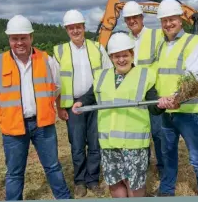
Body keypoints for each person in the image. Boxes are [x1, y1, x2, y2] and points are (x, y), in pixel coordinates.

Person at [71, 32, 179, 198]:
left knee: (134, 185)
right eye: (116, 56)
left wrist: (162, 104)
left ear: (132, 55)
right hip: (108, 144)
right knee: (114, 183)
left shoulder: (144, 76)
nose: (121, 60)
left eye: (125, 55)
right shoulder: (102, 76)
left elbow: (153, 106)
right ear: (111, 57)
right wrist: (81, 101)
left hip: (133, 145)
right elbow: (92, 94)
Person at [0, 15, 71, 200]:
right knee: (14, 173)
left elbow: (56, 87)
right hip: (13, 128)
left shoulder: (47, 60)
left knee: (53, 167)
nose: (19, 42)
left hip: (43, 125)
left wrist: (45, 104)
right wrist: (10, 111)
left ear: (31, 37)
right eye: (15, 38)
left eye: (23, 37)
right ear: (9, 39)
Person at [153, 0, 198, 196]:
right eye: (164, 20)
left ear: (180, 19)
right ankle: (167, 190)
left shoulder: (193, 43)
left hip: (188, 112)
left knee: (196, 156)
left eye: (172, 19)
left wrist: (176, 98)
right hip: (167, 111)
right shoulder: (162, 46)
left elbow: (193, 79)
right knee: (168, 154)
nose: (168, 24)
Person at [52, 9, 113, 198]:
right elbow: (55, 83)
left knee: (95, 144)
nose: (75, 31)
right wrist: (60, 107)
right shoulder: (59, 51)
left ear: (84, 27)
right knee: (77, 146)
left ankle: (92, 179)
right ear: (66, 30)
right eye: (71, 28)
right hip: (73, 107)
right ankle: (79, 181)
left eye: (78, 27)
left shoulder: (97, 48)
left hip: (95, 104)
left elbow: (108, 74)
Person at [122, 1, 165, 178]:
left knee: (158, 132)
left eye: (135, 17)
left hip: (152, 91)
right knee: (140, 130)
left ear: (142, 17)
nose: (132, 21)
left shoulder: (156, 35)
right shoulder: (126, 40)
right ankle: (144, 162)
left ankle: (162, 166)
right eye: (128, 19)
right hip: (134, 93)